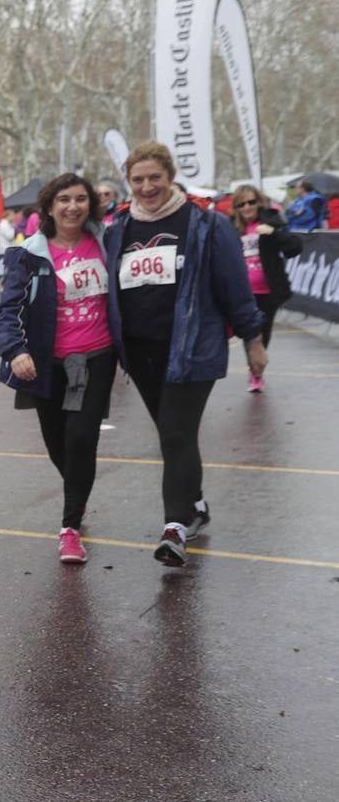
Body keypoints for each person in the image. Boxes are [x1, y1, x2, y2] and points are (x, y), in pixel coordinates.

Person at [106, 141, 266, 567]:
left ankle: (175, 528)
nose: (146, 186)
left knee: (175, 434)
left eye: (154, 177)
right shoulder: (117, 228)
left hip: (193, 348)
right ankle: (194, 504)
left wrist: (253, 339)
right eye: (138, 179)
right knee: (173, 433)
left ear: (170, 176)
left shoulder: (206, 224)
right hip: (140, 353)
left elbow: (236, 287)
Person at [0, 174, 115, 564]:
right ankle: (76, 494)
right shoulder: (30, 253)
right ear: (49, 207)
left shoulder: (107, 243)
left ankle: (69, 528)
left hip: (95, 358)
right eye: (64, 199)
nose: (73, 207)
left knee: (81, 438)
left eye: (81, 199)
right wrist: (15, 350)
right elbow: (7, 308)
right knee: (57, 444)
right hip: (47, 364)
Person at [230, 185, 303, 393]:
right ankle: (255, 370)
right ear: (236, 207)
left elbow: (294, 248)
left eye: (251, 202)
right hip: (243, 293)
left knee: (264, 332)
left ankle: (256, 372)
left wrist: (274, 233)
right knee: (249, 332)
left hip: (267, 292)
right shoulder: (232, 228)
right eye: (242, 204)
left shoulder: (271, 221)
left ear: (259, 202)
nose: (247, 207)